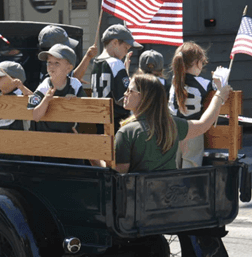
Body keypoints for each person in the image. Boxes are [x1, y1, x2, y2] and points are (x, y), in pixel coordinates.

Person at [104, 73, 232, 173]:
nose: (125, 94)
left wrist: (95, 159)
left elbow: (119, 174)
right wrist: (219, 96)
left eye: (130, 91)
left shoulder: (126, 132)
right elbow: (203, 124)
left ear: (144, 97)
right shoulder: (172, 124)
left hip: (138, 200)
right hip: (167, 196)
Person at [168, 41, 216, 168]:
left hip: (174, 130)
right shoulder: (204, 82)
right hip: (193, 129)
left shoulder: (175, 82)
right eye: (202, 62)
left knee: (174, 167)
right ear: (196, 62)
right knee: (192, 167)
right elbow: (217, 89)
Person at [89, 24, 140, 123]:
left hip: (100, 119)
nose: (126, 52)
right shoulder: (115, 63)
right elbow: (126, 97)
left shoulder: (96, 62)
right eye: (126, 48)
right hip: (116, 121)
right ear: (115, 42)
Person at [28, 43, 83, 133]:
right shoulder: (44, 86)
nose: (51, 66)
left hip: (65, 136)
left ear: (69, 68)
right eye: (49, 62)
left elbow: (86, 109)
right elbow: (35, 116)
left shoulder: (75, 84)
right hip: (43, 136)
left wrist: (75, 101)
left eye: (57, 63)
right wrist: (46, 100)